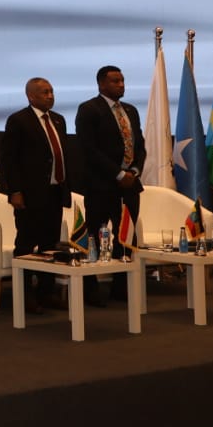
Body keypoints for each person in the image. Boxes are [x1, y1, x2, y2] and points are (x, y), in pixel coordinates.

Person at [75, 64, 145, 305]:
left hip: (130, 185)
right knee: (94, 236)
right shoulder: (89, 109)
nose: (121, 85)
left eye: (122, 80)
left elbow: (139, 145)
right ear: (101, 84)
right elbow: (89, 149)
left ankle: (121, 287)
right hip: (101, 185)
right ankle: (90, 289)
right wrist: (118, 174)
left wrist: (134, 171)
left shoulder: (130, 110)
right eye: (115, 81)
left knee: (126, 236)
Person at [0, 77, 71, 315]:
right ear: (31, 96)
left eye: (51, 91)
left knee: (50, 245)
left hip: (55, 191)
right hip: (29, 194)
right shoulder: (19, 120)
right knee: (26, 244)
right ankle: (24, 294)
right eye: (44, 92)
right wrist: (15, 191)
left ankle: (46, 292)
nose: (50, 96)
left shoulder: (58, 120)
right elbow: (9, 159)